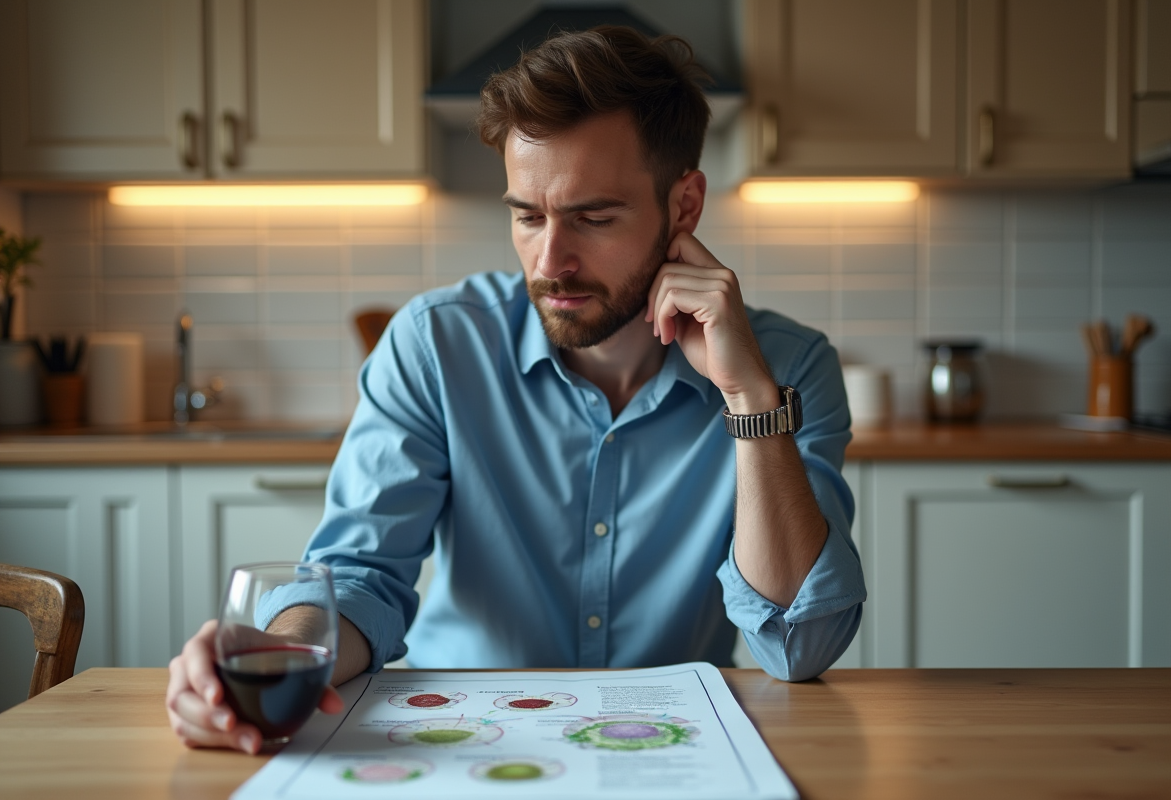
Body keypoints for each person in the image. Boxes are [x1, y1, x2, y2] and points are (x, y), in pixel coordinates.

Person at [166, 25, 866, 754]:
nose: (551, 260)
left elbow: (801, 643)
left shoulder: (785, 368)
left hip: (666, 742)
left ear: (683, 207)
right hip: (457, 738)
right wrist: (283, 657)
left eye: (594, 218)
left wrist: (750, 401)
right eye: (527, 217)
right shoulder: (436, 344)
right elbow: (359, 577)